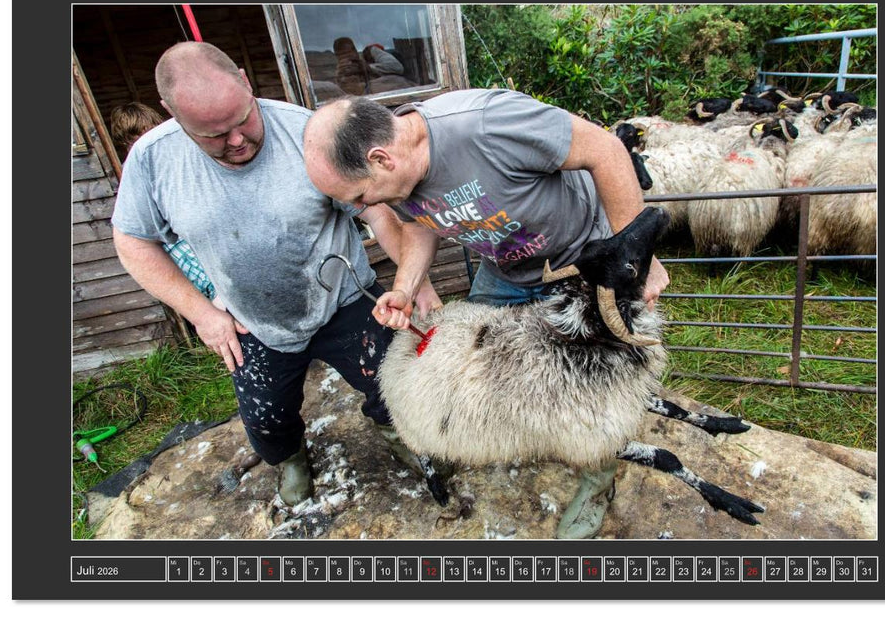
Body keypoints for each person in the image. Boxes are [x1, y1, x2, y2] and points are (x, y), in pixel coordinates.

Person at [302, 88, 670, 538]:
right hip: (506, 272)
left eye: (360, 196)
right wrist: (404, 289)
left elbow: (606, 150)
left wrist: (636, 258)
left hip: (582, 267)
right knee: (476, 368)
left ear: (381, 159)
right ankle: (520, 433)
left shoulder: (488, 124)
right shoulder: (395, 178)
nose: (365, 208)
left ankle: (598, 478)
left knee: (592, 390)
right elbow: (418, 223)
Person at [111, 42, 442, 507]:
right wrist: (202, 314)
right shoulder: (151, 160)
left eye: (243, 120)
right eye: (213, 135)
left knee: (391, 384)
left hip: (343, 297)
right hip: (252, 319)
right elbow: (132, 242)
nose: (236, 141)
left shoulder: (306, 133)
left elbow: (377, 211)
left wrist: (415, 282)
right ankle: (291, 461)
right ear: (171, 112)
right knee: (266, 417)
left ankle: (400, 436)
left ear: (245, 81)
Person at [110, 102, 218, 302]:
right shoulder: (132, 172)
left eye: (151, 133)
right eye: (137, 138)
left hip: (199, 226)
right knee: (209, 284)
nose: (147, 141)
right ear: (126, 142)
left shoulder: (177, 155)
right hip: (173, 237)